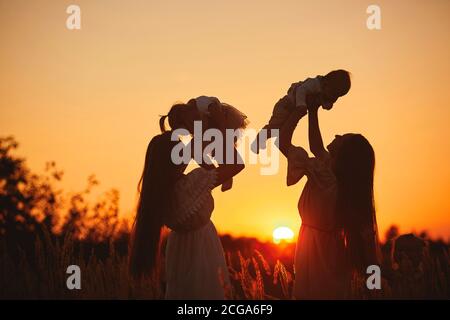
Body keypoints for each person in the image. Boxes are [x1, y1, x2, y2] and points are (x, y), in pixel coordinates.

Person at [278, 88, 381, 299]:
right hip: (331, 258)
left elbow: (305, 145)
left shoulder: (324, 176)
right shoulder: (346, 189)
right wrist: (375, 289)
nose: (336, 135)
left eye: (342, 137)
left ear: (345, 156)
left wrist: (305, 111)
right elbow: (371, 257)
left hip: (313, 255)